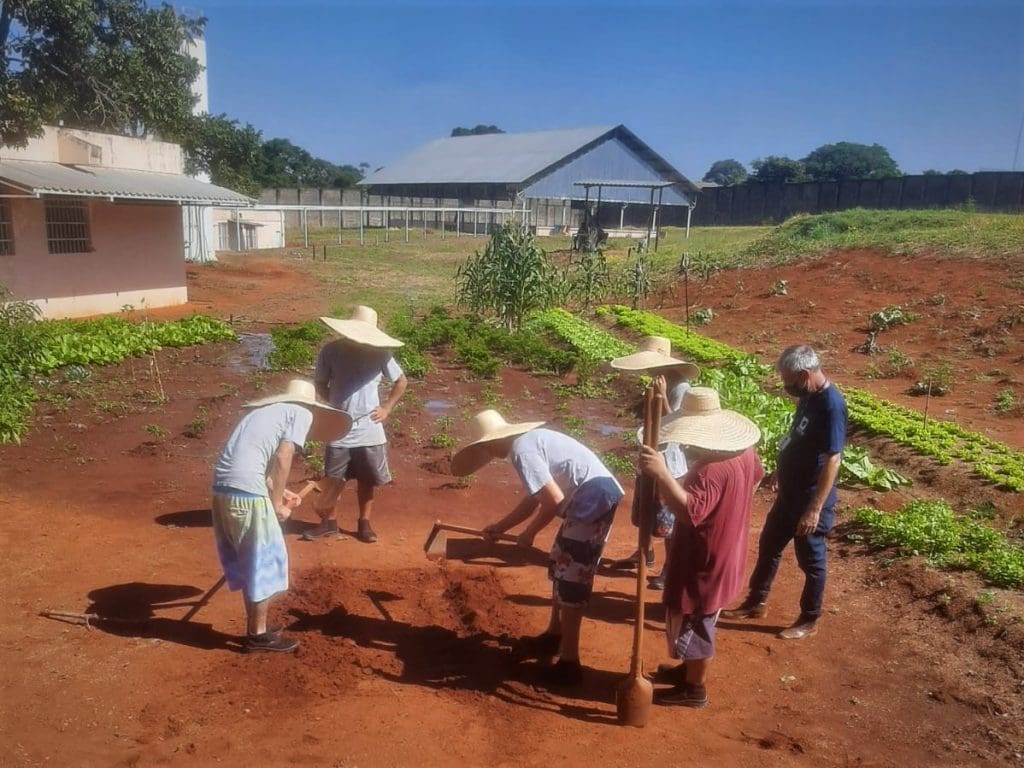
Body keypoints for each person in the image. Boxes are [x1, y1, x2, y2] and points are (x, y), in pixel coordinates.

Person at [450, 410, 624, 687]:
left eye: (484, 445)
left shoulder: (522, 450)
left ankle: (569, 663)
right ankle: (553, 637)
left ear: (494, 441)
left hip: (592, 499)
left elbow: (553, 500)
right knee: (559, 565)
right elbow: (535, 499)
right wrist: (502, 527)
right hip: (593, 496)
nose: (486, 451)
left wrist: (529, 534)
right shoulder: (529, 443)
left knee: (571, 580)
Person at [638, 387, 764, 708]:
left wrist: (663, 474)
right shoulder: (745, 453)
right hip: (728, 550)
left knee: (697, 620)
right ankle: (687, 672)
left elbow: (689, 512)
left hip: (704, 559)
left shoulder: (709, 470)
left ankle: (695, 689)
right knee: (702, 618)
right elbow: (757, 479)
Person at [212, 379, 350, 653]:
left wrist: (282, 492)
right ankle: (258, 636)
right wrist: (276, 504)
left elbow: (252, 463)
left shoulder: (261, 414)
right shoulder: (301, 412)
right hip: (248, 495)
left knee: (251, 562)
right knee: (263, 564)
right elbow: (283, 456)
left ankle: (256, 630)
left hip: (223, 491)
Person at [721, 344, 847, 641]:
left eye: (788, 380)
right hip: (789, 494)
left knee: (811, 561)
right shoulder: (808, 397)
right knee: (769, 545)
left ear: (805, 375)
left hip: (809, 499)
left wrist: (815, 508)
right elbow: (797, 437)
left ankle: (810, 618)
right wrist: (781, 469)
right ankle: (757, 601)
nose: (785, 385)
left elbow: (833, 458)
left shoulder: (831, 405)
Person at [303, 306, 408, 544]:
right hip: (338, 427)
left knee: (367, 480)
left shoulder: (381, 353)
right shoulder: (331, 351)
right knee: (332, 479)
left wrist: (387, 409)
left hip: (369, 428)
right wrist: (334, 405)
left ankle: (364, 524)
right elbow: (320, 383)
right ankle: (328, 524)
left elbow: (401, 381)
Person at [607, 336, 700, 588]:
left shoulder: (681, 388)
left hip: (669, 463)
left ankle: (670, 569)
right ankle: (644, 553)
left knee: (668, 520)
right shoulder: (658, 380)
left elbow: (677, 424)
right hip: (650, 455)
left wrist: (662, 397)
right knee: (646, 511)